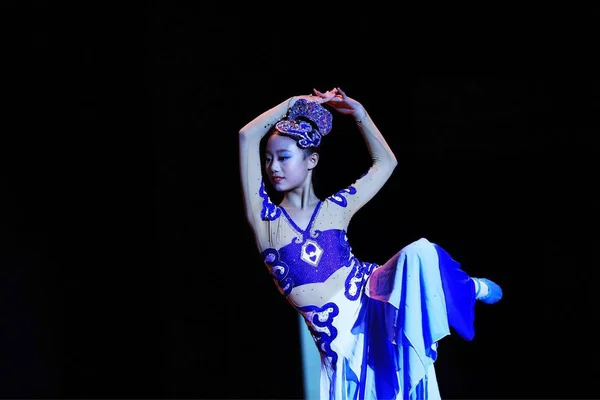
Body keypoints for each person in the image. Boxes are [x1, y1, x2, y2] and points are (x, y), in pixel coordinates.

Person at [238, 87, 503, 399]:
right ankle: (454, 288)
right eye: (268, 160)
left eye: (283, 158)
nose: (273, 167)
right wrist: (292, 104)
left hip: (373, 300)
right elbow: (246, 136)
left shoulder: (335, 209)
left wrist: (359, 114)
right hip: (338, 345)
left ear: (311, 161)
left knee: (418, 252)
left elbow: (385, 164)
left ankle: (467, 287)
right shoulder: (265, 220)